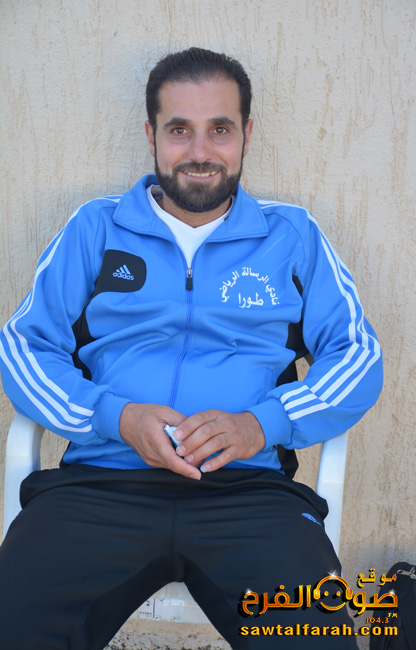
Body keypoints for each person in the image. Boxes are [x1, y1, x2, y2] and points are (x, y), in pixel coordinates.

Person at [0, 47, 382, 649]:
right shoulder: (95, 227)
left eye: (219, 129)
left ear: (246, 135)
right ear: (151, 135)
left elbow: (357, 355)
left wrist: (262, 424)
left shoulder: (293, 236)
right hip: (100, 486)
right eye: (179, 129)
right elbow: (24, 347)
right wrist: (115, 417)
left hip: (250, 495)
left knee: (316, 637)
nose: (200, 152)